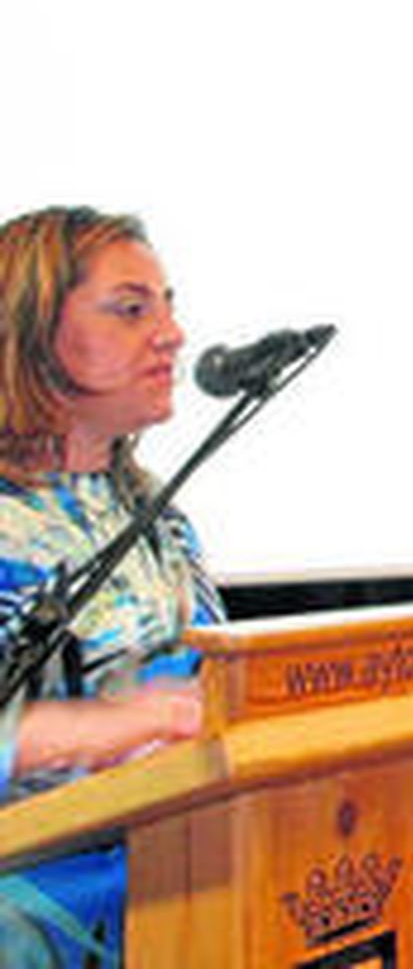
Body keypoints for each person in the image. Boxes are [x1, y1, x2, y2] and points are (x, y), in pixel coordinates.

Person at [0, 206, 221, 967]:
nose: (170, 335)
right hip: (34, 901)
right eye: (131, 310)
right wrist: (103, 726)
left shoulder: (157, 514)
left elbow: (210, 684)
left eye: (167, 306)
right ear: (29, 330)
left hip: (183, 868)